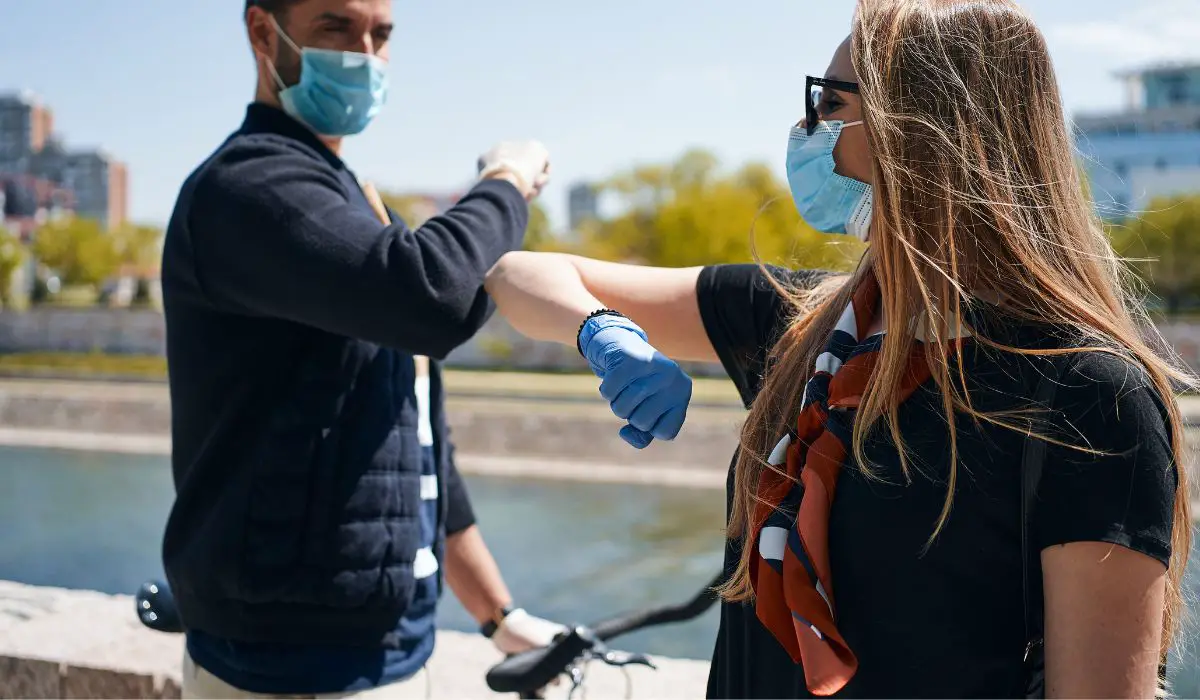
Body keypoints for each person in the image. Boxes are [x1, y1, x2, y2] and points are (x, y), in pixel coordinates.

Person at [483, 1, 1194, 697]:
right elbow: (519, 275)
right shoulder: (797, 325)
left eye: (828, 101)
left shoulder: (1086, 395)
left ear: (922, 130)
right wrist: (598, 330)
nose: (805, 126)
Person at [160, 0, 564, 697]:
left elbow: (415, 449)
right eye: (336, 28)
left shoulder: (353, 212)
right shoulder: (248, 189)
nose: (366, 55)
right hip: (282, 668)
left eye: (382, 35)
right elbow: (431, 297)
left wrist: (499, 615)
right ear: (263, 32)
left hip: (391, 653)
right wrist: (505, 182)